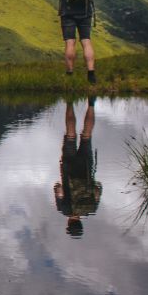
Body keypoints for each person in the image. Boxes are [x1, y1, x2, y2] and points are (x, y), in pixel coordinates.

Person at [54, 96, 102, 236]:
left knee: (86, 135)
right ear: (69, 223)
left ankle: (91, 104)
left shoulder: (90, 208)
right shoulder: (64, 210)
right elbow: (59, 189)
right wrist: (57, 188)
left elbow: (97, 190)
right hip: (68, 168)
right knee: (70, 135)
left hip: (86, 167)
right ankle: (69, 102)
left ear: (80, 223)